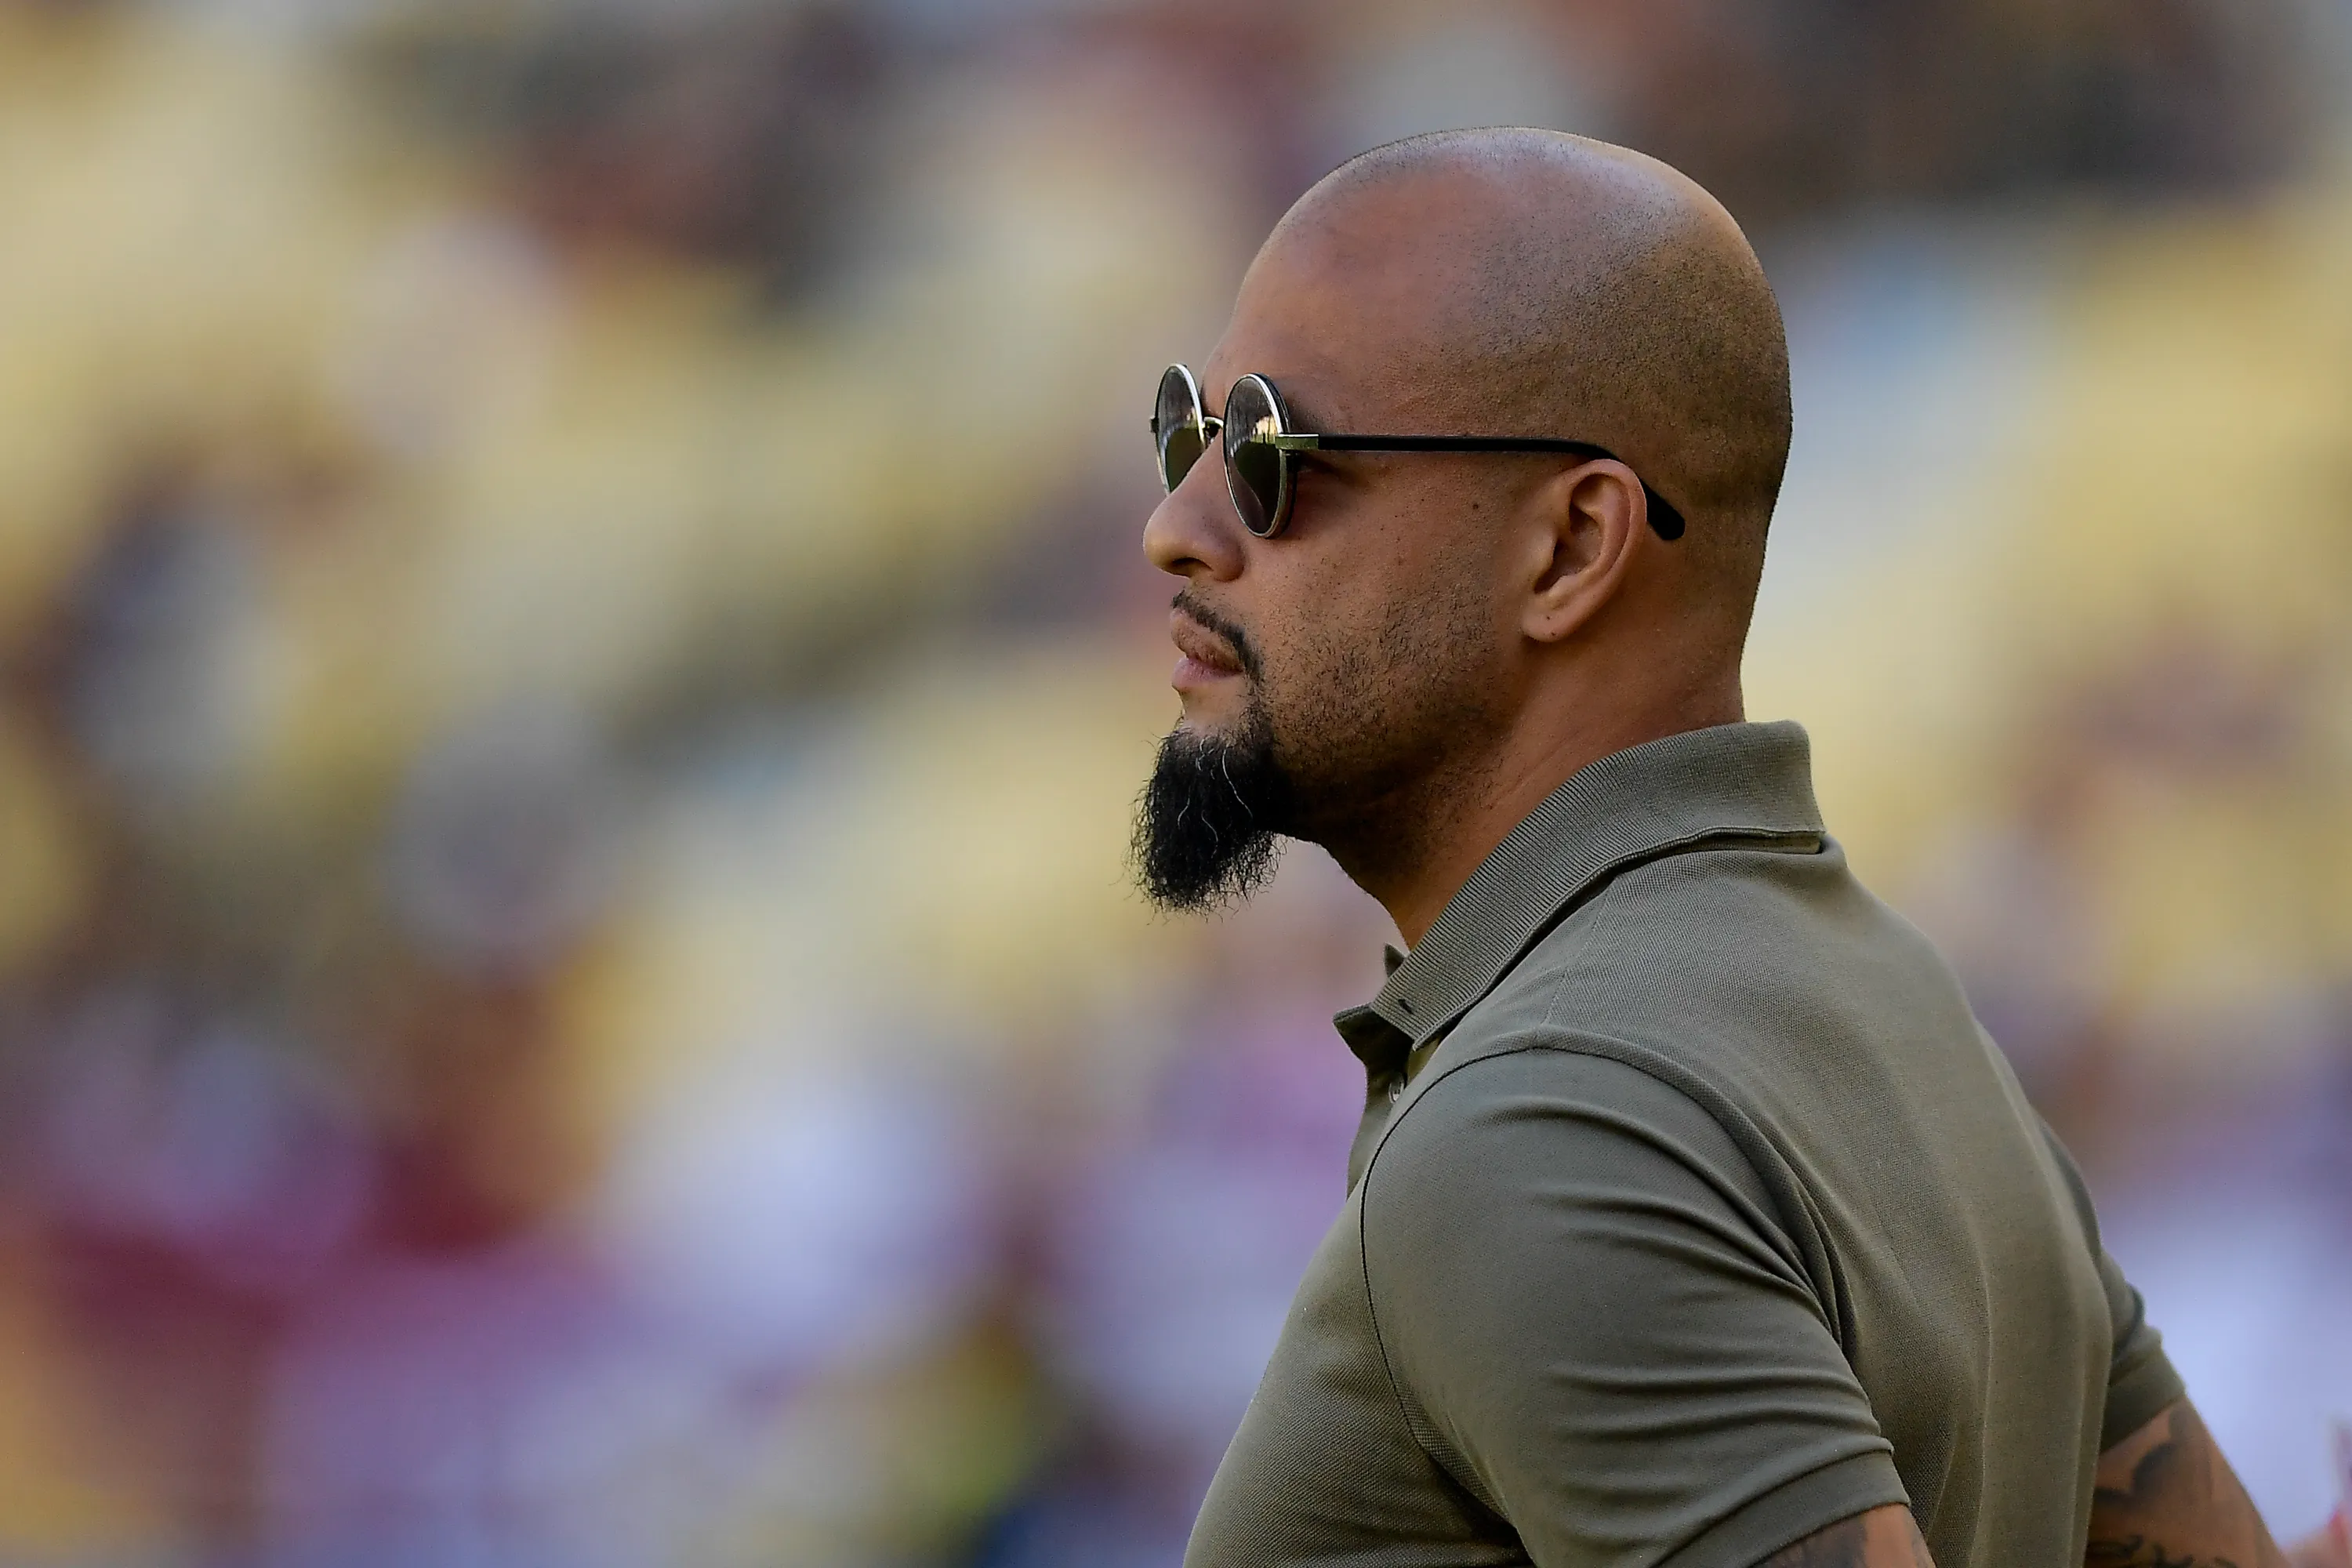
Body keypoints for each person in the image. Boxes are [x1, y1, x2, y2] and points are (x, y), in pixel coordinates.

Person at [1130, 128, 2332, 1568]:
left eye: (1270, 452)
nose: (1175, 529)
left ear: (1572, 548)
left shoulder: (1549, 1131)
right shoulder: (1897, 1007)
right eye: (1186, 433)